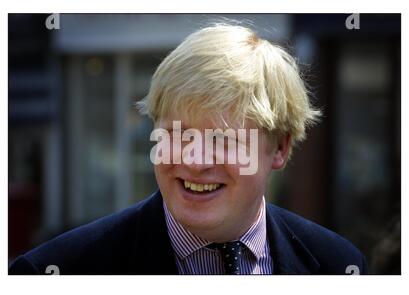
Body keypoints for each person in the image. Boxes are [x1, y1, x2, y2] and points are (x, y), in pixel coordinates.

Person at [9, 23, 367, 275]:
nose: (195, 162)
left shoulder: (337, 267)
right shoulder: (56, 274)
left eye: (223, 140)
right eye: (178, 135)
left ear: (281, 148)